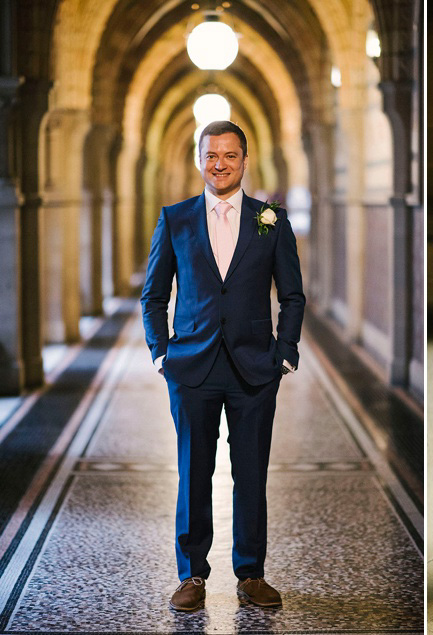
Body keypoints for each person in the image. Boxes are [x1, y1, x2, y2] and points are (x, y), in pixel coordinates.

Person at [141, 120, 305, 611]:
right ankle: (191, 576)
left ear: (244, 160)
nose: (220, 164)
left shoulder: (270, 219)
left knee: (251, 472)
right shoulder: (176, 219)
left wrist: (286, 353)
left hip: (255, 366)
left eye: (229, 155)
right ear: (199, 161)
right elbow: (153, 294)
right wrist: (160, 352)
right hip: (192, 365)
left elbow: (293, 295)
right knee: (194, 470)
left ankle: (251, 574)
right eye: (211, 155)